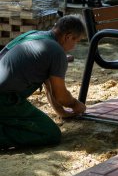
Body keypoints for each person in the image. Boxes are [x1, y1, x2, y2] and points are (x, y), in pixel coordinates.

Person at [0, 15, 87, 149]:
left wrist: (62, 112)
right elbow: (61, 96)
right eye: (76, 41)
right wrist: (76, 105)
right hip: (4, 98)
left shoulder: (34, 35)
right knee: (50, 134)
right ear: (68, 36)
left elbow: (49, 86)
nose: (74, 47)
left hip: (4, 93)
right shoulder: (56, 52)